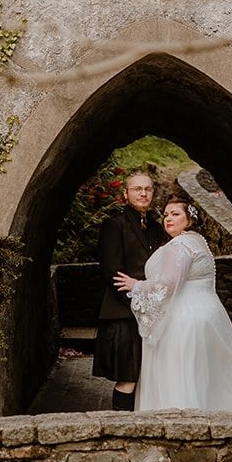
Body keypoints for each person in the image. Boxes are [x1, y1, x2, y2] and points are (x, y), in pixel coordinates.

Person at [113, 193, 232, 413]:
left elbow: (168, 283)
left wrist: (137, 286)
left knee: (181, 371)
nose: (168, 219)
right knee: (207, 372)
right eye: (165, 215)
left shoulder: (180, 245)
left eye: (175, 214)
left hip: (184, 318)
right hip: (209, 313)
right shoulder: (198, 241)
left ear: (189, 219)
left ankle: (182, 419)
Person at [94, 169, 168, 410]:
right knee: (128, 378)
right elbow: (112, 273)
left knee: (150, 376)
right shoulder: (113, 225)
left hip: (151, 312)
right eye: (137, 189)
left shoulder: (157, 228)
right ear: (126, 194)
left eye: (147, 189)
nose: (143, 193)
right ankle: (121, 433)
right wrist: (139, 304)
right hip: (123, 314)